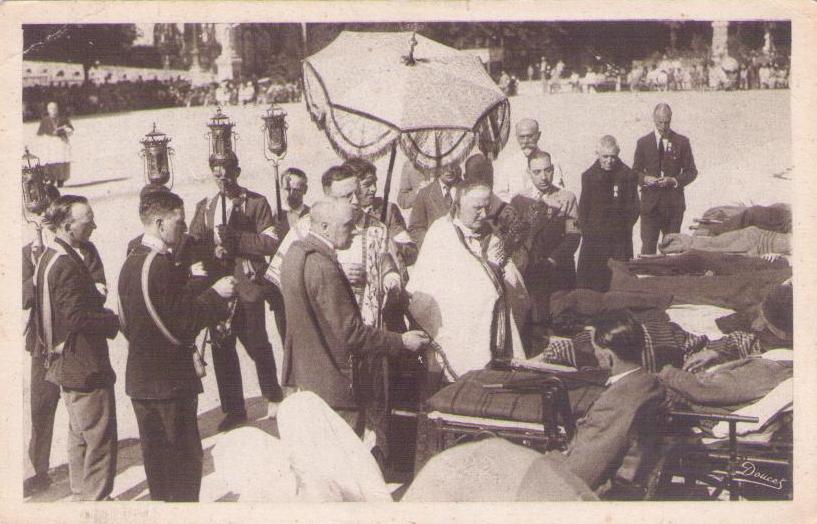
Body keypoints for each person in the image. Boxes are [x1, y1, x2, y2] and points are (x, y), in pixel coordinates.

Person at [118, 191, 236, 502]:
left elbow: (129, 321)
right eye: (179, 223)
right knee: (183, 472)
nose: (183, 231)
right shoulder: (160, 265)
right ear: (159, 222)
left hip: (143, 383)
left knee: (159, 472)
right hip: (170, 384)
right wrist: (216, 295)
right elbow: (183, 323)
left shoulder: (132, 261)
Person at [279, 199, 429, 431]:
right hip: (334, 387)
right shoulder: (322, 266)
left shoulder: (294, 254)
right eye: (349, 225)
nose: (355, 231)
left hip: (307, 379)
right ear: (325, 227)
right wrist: (401, 341)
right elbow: (351, 334)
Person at [188, 152, 283, 431]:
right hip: (218, 287)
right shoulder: (205, 206)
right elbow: (194, 243)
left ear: (237, 171)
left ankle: (273, 393)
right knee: (222, 346)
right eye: (216, 171)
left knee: (257, 341)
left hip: (248, 285)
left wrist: (238, 240)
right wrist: (210, 249)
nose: (222, 176)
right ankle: (234, 408)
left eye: (227, 170)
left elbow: (271, 242)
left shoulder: (256, 202)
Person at [34, 195, 120, 500]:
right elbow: (76, 317)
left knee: (79, 434)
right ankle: (96, 503)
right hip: (84, 365)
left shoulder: (50, 256)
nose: (94, 225)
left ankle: (81, 494)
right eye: (88, 221)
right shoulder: (66, 264)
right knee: (99, 437)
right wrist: (112, 322)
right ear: (68, 226)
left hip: (65, 365)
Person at [408, 181, 527, 383]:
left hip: (491, 315)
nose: (483, 214)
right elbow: (431, 281)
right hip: (451, 315)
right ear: (458, 206)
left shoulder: (490, 232)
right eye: (476, 208)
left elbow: (507, 273)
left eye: (486, 208)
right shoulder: (442, 232)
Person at [267, 165, 406, 330]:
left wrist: (391, 280)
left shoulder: (378, 229)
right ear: (329, 198)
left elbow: (388, 266)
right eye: (347, 196)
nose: (355, 201)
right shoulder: (305, 227)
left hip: (369, 331)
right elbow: (282, 276)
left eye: (356, 192)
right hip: (324, 330)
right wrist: (334, 277)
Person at [562, 311, 666, 494]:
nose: (594, 353)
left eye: (594, 348)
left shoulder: (614, 403)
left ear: (608, 356)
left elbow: (577, 476)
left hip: (595, 495)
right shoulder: (649, 383)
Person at [509, 150, 580, 325]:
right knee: (533, 324)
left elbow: (573, 237)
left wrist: (553, 260)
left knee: (561, 323)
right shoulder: (519, 200)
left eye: (548, 170)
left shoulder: (567, 198)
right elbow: (513, 238)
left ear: (553, 170)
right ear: (528, 173)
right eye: (537, 172)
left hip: (559, 273)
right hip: (530, 274)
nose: (544, 177)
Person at [576, 135, 640, 292]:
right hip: (594, 239)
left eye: (613, 157)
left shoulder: (628, 175)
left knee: (619, 282)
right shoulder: (588, 176)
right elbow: (583, 208)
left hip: (619, 239)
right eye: (605, 156)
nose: (609, 161)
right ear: (597, 154)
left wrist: (622, 228)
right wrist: (588, 232)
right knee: (592, 283)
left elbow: (634, 208)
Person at [633, 103, 698, 254]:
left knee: (671, 249)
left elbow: (691, 171)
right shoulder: (643, 143)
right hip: (650, 206)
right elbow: (634, 172)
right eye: (660, 122)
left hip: (673, 206)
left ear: (671, 119)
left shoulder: (682, 142)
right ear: (654, 120)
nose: (663, 126)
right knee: (648, 248)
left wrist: (674, 180)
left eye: (667, 122)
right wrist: (644, 179)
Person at [345, 157, 418, 266]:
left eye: (374, 183)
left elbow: (411, 252)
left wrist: (384, 245)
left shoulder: (388, 210)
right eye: (367, 184)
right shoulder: (338, 212)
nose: (373, 189)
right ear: (351, 186)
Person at [408, 163, 462, 248]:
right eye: (444, 165)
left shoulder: (467, 189)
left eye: (453, 164)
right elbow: (415, 229)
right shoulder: (425, 194)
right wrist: (432, 246)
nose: (449, 169)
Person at [494, 119, 545, 202]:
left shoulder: (551, 162)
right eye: (522, 137)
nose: (525, 141)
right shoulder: (509, 164)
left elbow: (558, 192)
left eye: (530, 136)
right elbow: (499, 194)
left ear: (538, 135)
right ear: (516, 137)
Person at [36, 101, 74, 187]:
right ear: (48, 110)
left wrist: (65, 130)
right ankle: (51, 180)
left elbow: (71, 130)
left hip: (61, 143)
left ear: (57, 109)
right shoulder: (44, 120)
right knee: (51, 162)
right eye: (51, 109)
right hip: (50, 144)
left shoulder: (63, 118)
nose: (53, 110)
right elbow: (40, 134)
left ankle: (61, 181)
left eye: (55, 108)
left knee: (61, 161)